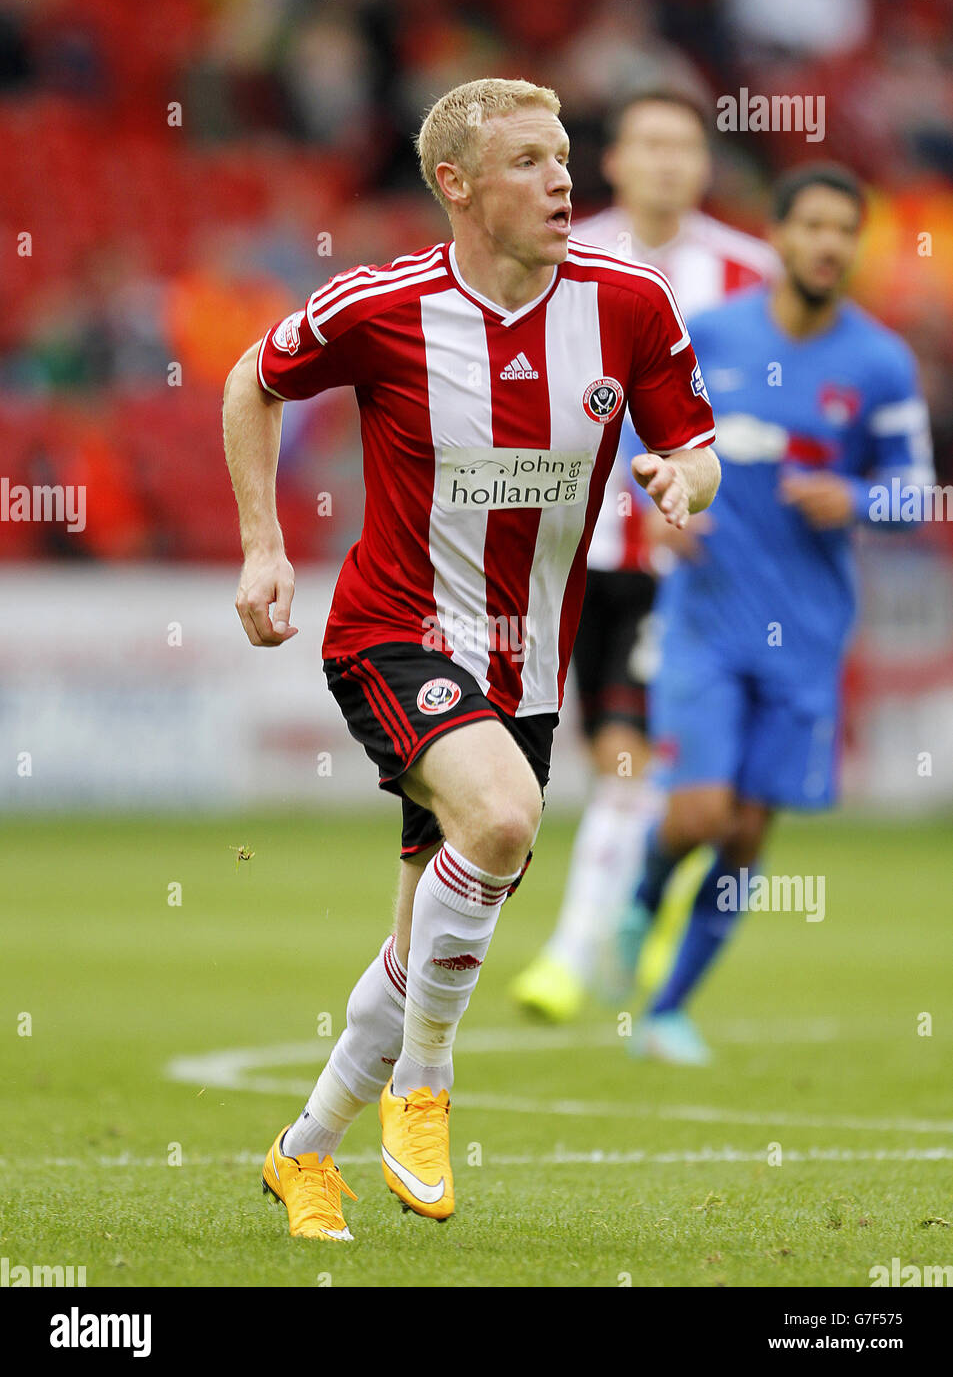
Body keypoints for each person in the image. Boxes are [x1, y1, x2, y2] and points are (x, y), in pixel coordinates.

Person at [222, 77, 720, 1240]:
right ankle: (427, 1084)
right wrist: (262, 546)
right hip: (393, 631)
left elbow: (694, 447)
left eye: (563, 157)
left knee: (423, 936)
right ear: (455, 184)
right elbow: (253, 379)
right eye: (529, 162)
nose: (562, 181)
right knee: (499, 822)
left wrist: (680, 478)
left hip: (525, 668)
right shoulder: (380, 305)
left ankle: (303, 1154)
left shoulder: (629, 306)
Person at [617, 163, 933, 1065]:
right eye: (813, 227)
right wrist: (658, 502)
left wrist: (858, 499)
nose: (829, 244)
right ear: (780, 236)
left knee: (747, 835)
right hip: (707, 618)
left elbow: (916, 494)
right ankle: (639, 902)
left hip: (805, 632)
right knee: (699, 814)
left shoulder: (877, 364)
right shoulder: (709, 336)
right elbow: (640, 434)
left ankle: (668, 1009)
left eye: (845, 230)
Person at [512, 87, 777, 1022]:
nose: (666, 161)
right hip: (600, 557)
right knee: (621, 763)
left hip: (716, 568)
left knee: (696, 779)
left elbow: (768, 414)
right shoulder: (565, 257)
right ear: (612, 163)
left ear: (704, 165)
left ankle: (581, 953)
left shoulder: (753, 274)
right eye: (647, 144)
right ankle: (615, 936)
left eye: (684, 146)